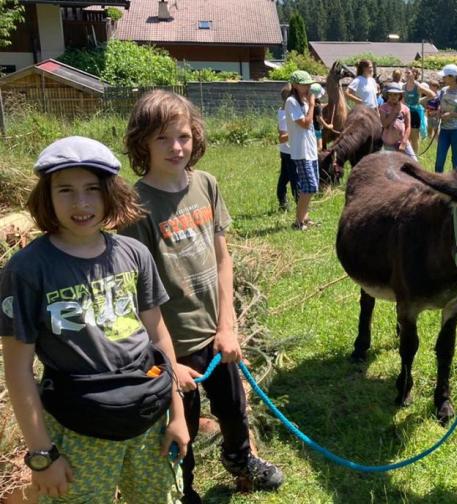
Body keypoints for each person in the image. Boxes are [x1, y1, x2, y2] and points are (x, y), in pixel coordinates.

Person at [1, 136, 188, 503]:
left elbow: (159, 337)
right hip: (79, 429)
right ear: (46, 196)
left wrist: (177, 413)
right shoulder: (27, 270)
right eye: (65, 190)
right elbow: (18, 368)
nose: (81, 203)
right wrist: (42, 454)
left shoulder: (133, 254)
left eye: (92, 189)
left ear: (110, 194)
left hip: (148, 418)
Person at [120, 90, 284, 504]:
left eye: (184, 136)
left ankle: (239, 458)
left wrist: (227, 326)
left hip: (216, 335)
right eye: (162, 139)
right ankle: (184, 489)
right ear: (142, 143)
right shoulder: (136, 208)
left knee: (233, 410)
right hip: (172, 346)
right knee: (181, 428)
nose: (176, 147)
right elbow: (137, 297)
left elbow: (223, 259)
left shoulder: (206, 184)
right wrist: (167, 361)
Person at [283, 70, 319, 231]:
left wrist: (311, 103)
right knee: (309, 186)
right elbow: (304, 123)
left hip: (310, 150)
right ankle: (298, 222)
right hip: (301, 151)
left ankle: (304, 218)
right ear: (295, 85)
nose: (307, 87)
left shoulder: (303, 101)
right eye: (304, 84)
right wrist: (312, 105)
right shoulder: (291, 101)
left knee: (313, 185)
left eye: (308, 84)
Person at [276, 84, 298, 211]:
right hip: (289, 152)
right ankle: (299, 203)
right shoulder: (284, 115)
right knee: (295, 178)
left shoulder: (283, 111)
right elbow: (282, 137)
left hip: (286, 151)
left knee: (284, 177)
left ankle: (282, 202)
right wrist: (297, 131)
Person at [380, 82, 416, 159]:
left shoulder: (405, 109)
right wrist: (394, 112)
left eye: (396, 94)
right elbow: (384, 124)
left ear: (400, 95)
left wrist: (404, 142)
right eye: (391, 94)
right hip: (388, 143)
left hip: (402, 141)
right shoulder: (383, 108)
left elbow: (408, 126)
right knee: (391, 165)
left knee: (413, 161)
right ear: (387, 95)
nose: (393, 97)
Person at [403, 67, 435, 153]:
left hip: (414, 113)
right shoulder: (403, 86)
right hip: (405, 113)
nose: (406, 74)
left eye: (408, 73)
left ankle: (415, 158)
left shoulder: (417, 86)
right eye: (405, 73)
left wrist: (420, 101)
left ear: (414, 74)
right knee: (406, 137)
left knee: (415, 138)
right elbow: (402, 101)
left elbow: (432, 95)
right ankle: (407, 157)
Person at [311, 83, 332, 151]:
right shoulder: (318, 107)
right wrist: (328, 126)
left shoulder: (312, 102)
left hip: (311, 128)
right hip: (317, 128)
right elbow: (319, 119)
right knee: (319, 147)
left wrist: (329, 104)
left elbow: (320, 105)